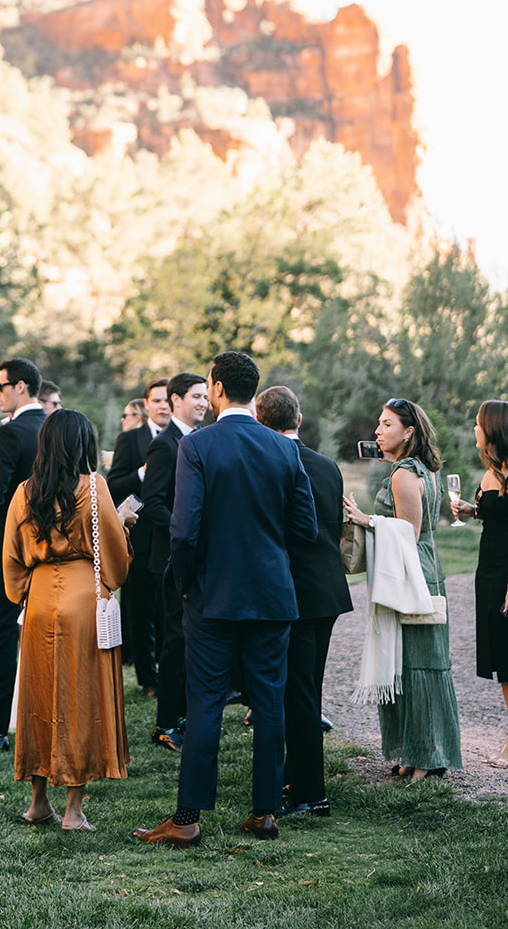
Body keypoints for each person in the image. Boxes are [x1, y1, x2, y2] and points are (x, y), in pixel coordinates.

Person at [133, 351, 317, 848]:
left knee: (205, 702)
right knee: (270, 703)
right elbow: (305, 528)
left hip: (212, 596)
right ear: (252, 391)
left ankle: (188, 818)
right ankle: (264, 813)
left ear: (215, 388)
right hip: (273, 595)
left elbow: (184, 529)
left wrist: (184, 582)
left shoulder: (198, 446)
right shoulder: (284, 448)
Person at [4, 409, 132, 831]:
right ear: (84, 445)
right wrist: (124, 531)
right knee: (81, 699)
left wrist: (26, 591)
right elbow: (112, 554)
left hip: (40, 601)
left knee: (40, 697)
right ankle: (74, 811)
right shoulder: (94, 488)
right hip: (83, 601)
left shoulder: (25, 492)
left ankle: (38, 802)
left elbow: (11, 556)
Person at [344, 397, 462, 781]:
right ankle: (416, 753)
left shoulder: (403, 474)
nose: (378, 430)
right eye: (379, 423)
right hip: (420, 568)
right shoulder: (417, 468)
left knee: (418, 666)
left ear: (409, 431)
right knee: (412, 665)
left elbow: (408, 533)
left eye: (387, 424)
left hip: (413, 573)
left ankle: (428, 758)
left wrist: (368, 519)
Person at [255, 385, 352, 815]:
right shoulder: (328, 465)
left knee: (298, 695)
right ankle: (300, 781)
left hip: (294, 595)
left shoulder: (272, 465)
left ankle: (310, 793)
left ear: (261, 422)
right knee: (308, 689)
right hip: (327, 591)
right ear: (299, 419)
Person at [0, 357, 45, 750]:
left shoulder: (12, 432)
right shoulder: (52, 427)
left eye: (1, 386)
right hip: (44, 549)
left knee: (2, 636)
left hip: (5, 549)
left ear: (20, 387)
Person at [142, 373, 208, 752]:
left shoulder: (200, 439)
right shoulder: (164, 445)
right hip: (168, 558)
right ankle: (166, 724)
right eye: (196, 396)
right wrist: (187, 530)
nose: (203, 402)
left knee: (192, 640)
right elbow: (152, 502)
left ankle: (186, 715)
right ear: (176, 400)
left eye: (205, 396)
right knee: (174, 641)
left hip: (196, 557)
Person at [453, 400, 508, 767]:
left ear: (492, 429)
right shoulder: (493, 472)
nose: (474, 429)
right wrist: (471, 511)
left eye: (477, 423)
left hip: (506, 577)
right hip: (487, 573)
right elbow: (497, 516)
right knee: (503, 662)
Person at [108, 376, 170, 697]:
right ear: (146, 405)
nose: (163, 406)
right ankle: (147, 678)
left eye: (167, 400)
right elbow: (113, 485)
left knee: (168, 611)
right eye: (157, 400)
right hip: (140, 540)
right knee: (140, 609)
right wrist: (142, 472)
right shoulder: (130, 440)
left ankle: (170, 669)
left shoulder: (188, 438)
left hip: (173, 538)